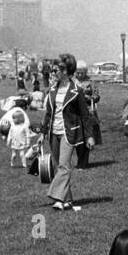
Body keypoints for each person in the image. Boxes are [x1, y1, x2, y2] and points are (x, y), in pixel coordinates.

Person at [41, 55, 94, 209]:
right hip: (53, 132)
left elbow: (85, 115)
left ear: (65, 71)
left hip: (69, 133)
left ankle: (55, 195)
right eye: (52, 70)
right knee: (59, 168)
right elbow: (48, 113)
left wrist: (89, 136)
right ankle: (67, 200)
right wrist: (42, 133)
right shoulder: (51, 90)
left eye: (55, 70)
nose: (53, 72)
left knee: (64, 166)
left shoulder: (76, 91)